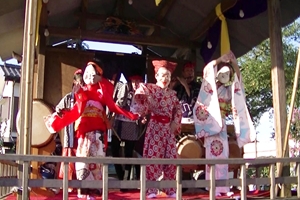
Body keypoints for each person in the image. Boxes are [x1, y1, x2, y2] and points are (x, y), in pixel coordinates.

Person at [44, 61, 139, 199]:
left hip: (98, 131)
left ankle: (95, 189)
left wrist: (130, 114)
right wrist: (58, 117)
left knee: (98, 160)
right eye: (87, 74)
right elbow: (75, 111)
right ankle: (83, 190)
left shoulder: (102, 90)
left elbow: (112, 102)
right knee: (82, 160)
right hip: (84, 131)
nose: (90, 77)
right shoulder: (80, 92)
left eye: (93, 74)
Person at [193, 51, 255, 196]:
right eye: (221, 73)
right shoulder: (208, 88)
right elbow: (207, 69)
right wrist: (221, 59)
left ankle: (223, 188)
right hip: (210, 124)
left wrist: (234, 63)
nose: (223, 77)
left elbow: (238, 83)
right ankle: (212, 187)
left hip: (221, 124)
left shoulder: (227, 91)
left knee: (223, 156)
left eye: (226, 74)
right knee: (211, 156)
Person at [132, 60, 182, 199]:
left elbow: (178, 110)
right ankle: (151, 189)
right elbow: (140, 92)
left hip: (168, 128)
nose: (165, 78)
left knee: (171, 157)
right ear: (157, 76)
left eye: (168, 76)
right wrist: (146, 101)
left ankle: (170, 188)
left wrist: (175, 122)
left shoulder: (172, 94)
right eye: (162, 75)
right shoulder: (151, 89)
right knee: (154, 157)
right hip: (155, 127)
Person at [110, 75, 144, 186]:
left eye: (138, 81)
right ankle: (121, 175)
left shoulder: (143, 93)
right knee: (115, 150)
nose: (136, 84)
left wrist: (143, 117)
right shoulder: (124, 88)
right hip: (119, 122)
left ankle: (125, 181)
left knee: (129, 154)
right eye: (134, 81)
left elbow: (144, 110)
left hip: (132, 124)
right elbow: (118, 104)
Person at [55, 69, 84, 192]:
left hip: (82, 132)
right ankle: (67, 184)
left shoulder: (85, 97)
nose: (80, 86)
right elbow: (57, 109)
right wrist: (64, 113)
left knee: (82, 158)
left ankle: (81, 184)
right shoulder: (68, 97)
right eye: (79, 83)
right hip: (70, 131)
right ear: (74, 82)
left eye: (83, 84)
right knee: (69, 156)